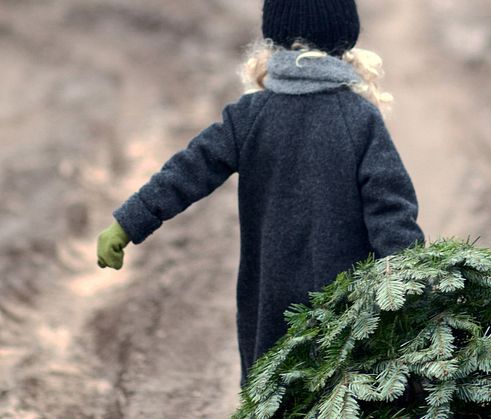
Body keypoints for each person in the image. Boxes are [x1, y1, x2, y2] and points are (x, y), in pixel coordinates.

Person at [96, 0, 424, 387]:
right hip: (349, 307)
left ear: (274, 38)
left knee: (271, 394)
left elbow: (187, 171)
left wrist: (127, 223)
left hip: (269, 304)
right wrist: (411, 282)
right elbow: (391, 210)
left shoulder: (249, 117)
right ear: (345, 39)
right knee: (346, 394)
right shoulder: (359, 119)